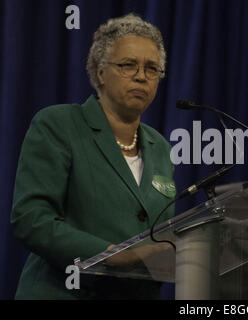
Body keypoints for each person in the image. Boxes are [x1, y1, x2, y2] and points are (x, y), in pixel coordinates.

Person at [10, 13, 176, 299]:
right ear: (101, 72)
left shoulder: (159, 146)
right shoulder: (59, 124)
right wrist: (110, 254)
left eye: (152, 68)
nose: (141, 76)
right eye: (128, 65)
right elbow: (31, 219)